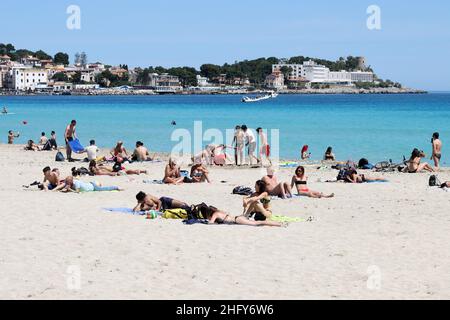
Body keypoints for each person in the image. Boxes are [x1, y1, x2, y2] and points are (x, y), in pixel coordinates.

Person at [203, 205, 283, 227]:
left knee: (257, 223)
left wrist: (204, 221)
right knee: (257, 222)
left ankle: (279, 224)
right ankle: (279, 223)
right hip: (238, 217)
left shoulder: (215, 214)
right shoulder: (220, 212)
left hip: (237, 220)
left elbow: (210, 223)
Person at [53, 176, 123, 193]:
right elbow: (65, 187)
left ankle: (116, 187)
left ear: (71, 181)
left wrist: (69, 189)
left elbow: (77, 191)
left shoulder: (76, 183)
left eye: (68, 182)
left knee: (103, 189)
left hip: (93, 187)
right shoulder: (70, 183)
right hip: (90, 184)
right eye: (67, 182)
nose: (67, 183)